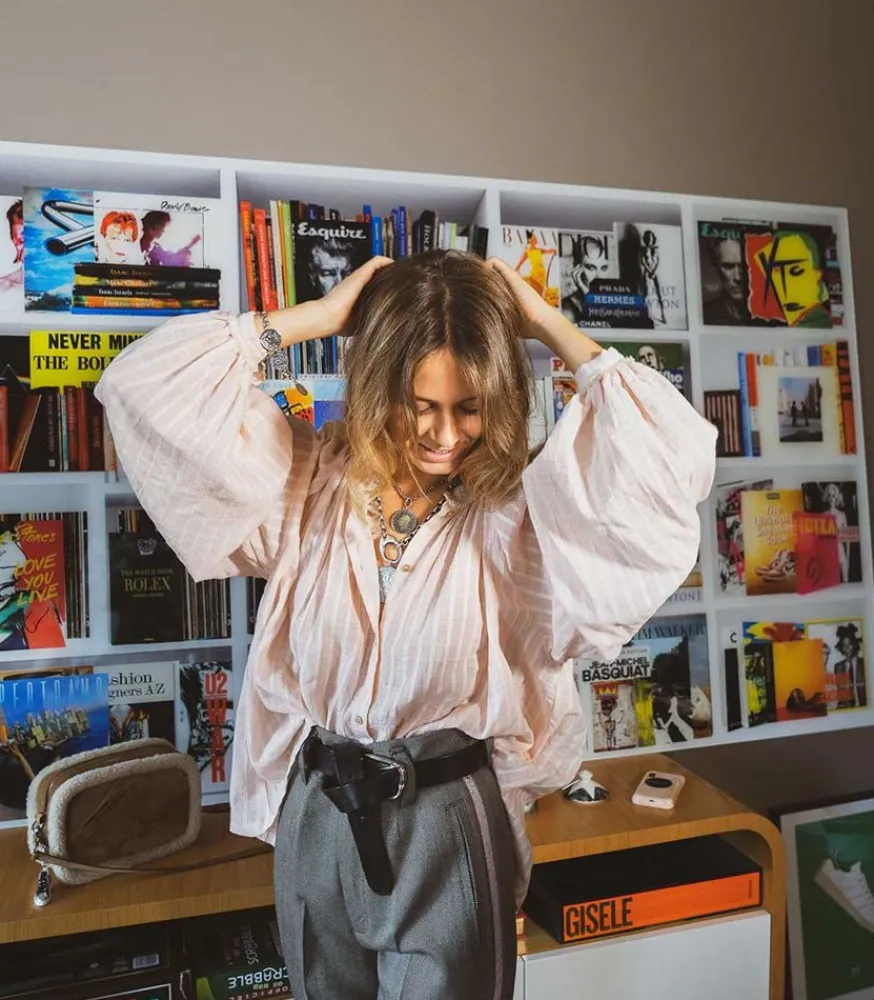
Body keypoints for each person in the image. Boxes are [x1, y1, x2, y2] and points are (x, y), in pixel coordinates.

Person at [95, 249, 716, 1000]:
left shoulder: (523, 524)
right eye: (419, 403)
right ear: (376, 383)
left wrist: (544, 323)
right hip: (316, 808)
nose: (444, 433)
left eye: (468, 406)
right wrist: (319, 317)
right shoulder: (304, 485)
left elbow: (672, 462)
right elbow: (142, 387)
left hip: (447, 820)